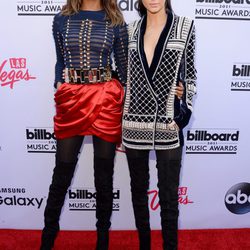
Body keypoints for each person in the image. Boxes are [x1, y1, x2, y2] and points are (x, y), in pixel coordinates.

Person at [40, 0, 128, 249]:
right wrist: (59, 83)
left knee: (104, 176)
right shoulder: (62, 19)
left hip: (105, 100)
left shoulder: (116, 20)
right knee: (62, 172)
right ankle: (47, 236)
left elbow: (122, 67)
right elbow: (60, 61)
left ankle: (102, 239)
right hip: (72, 100)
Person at [122, 0, 197, 249]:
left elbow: (191, 74)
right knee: (138, 193)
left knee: (168, 197)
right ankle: (144, 244)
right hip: (134, 122)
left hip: (169, 124)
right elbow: (124, 75)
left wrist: (184, 112)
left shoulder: (185, 27)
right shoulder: (130, 30)